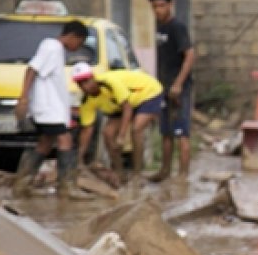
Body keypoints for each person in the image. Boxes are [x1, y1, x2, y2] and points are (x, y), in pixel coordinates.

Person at [11, 20, 94, 200]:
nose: (77, 47)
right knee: (65, 141)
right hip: (47, 108)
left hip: (49, 108)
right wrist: (23, 97)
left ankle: (22, 183)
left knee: (45, 143)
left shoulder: (55, 50)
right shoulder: (52, 47)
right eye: (78, 43)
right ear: (73, 36)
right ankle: (66, 186)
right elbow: (32, 69)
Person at [70, 62, 164, 179]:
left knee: (136, 129)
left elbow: (127, 108)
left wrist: (121, 136)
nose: (84, 86)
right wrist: (79, 157)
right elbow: (87, 129)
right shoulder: (86, 101)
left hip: (147, 93)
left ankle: (137, 174)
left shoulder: (109, 83)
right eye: (80, 84)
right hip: (120, 105)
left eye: (86, 81)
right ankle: (119, 173)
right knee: (108, 134)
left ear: (93, 77)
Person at [148, 0, 196, 182]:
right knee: (165, 132)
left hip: (179, 89)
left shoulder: (177, 27)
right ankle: (165, 171)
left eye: (161, 6)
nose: (158, 10)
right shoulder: (159, 27)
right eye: (154, 7)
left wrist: (178, 83)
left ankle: (183, 176)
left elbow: (190, 55)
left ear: (170, 5)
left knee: (181, 133)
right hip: (163, 87)